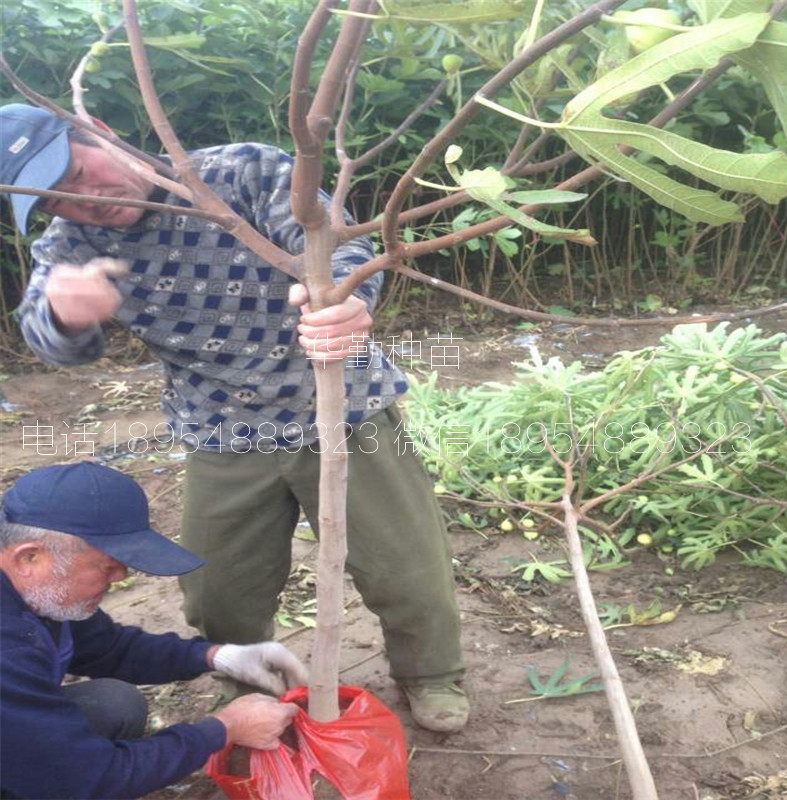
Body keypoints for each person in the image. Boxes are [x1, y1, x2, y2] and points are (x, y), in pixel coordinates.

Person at [1, 102, 468, 734]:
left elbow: (330, 240)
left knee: (404, 563)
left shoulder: (240, 172)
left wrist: (343, 301)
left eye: (78, 172)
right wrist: (65, 316)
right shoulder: (73, 245)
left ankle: (430, 674)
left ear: (102, 132)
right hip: (223, 426)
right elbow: (50, 340)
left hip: (345, 404)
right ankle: (243, 674)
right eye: (57, 200)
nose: (84, 200)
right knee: (220, 586)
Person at [0, 461, 307, 800]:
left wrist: (217, 656)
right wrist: (224, 729)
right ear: (29, 558)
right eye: (107, 566)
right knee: (75, 774)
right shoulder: (7, 648)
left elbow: (109, 649)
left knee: (113, 705)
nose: (122, 577)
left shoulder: (36, 591)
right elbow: (93, 777)